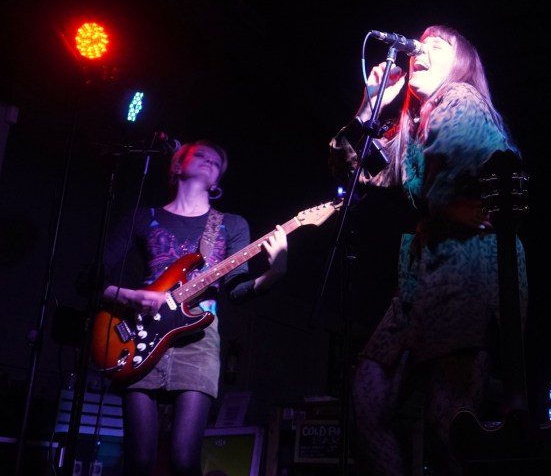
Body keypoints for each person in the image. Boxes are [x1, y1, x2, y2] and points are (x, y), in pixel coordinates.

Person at [328, 25, 525, 476]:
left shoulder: (460, 99)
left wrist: (454, 205)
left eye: (438, 45)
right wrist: (371, 104)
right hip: (422, 273)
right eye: (420, 44)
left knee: (448, 423)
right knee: (368, 396)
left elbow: (469, 160)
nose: (420, 50)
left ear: (461, 63)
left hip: (467, 264)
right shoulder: (416, 125)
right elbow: (354, 169)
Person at [99, 140, 288, 475]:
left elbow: (236, 291)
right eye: (200, 155)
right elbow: (92, 277)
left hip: (198, 340)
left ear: (217, 181)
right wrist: (131, 297)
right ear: (177, 165)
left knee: (184, 459)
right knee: (139, 460)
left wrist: (274, 273)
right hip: (139, 331)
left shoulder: (231, 224)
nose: (209, 160)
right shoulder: (143, 217)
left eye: (216, 161)